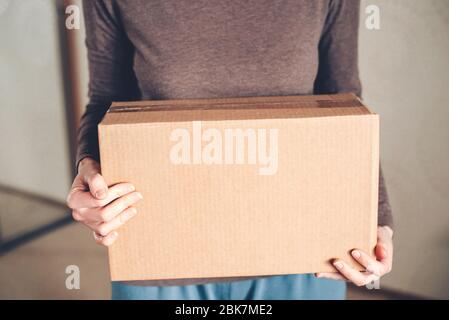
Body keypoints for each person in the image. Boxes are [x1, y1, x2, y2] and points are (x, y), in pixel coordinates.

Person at [67, 0, 393, 300]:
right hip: (159, 248)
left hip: (301, 248)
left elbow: (347, 106)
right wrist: (88, 169)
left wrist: (375, 222)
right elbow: (105, 99)